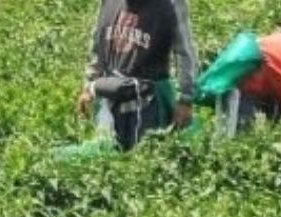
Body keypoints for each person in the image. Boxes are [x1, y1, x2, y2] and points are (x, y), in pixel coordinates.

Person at [77, 0, 199, 151]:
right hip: (111, 96)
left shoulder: (170, 4)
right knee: (108, 157)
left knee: (146, 156)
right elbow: (98, 45)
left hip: (149, 102)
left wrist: (185, 100)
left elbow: (185, 53)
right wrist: (89, 85)